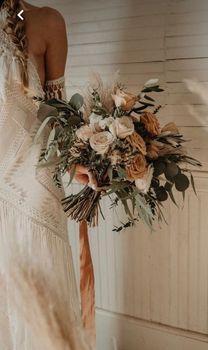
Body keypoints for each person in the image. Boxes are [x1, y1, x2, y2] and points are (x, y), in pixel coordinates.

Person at [0, 1, 90, 348]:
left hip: (36, 181)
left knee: (44, 294)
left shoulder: (46, 21)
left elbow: (59, 114)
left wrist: (76, 161)